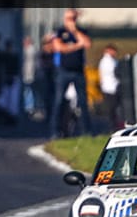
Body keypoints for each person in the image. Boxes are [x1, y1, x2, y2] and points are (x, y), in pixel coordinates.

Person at [51, 10, 91, 138]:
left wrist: (75, 31)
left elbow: (87, 43)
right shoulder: (60, 31)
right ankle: (56, 131)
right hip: (64, 71)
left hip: (78, 71)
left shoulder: (81, 31)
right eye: (69, 19)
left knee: (83, 101)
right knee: (59, 101)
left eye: (73, 18)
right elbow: (58, 47)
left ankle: (86, 131)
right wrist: (76, 46)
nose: (71, 21)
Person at [97, 44, 122, 129]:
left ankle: (114, 125)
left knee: (113, 109)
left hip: (111, 87)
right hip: (110, 88)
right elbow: (115, 72)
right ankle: (112, 126)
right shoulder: (107, 61)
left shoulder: (111, 60)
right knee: (112, 109)